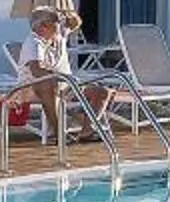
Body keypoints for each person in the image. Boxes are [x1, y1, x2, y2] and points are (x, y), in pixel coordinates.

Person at [13, 8, 113, 142]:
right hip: (31, 89)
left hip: (64, 85)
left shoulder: (58, 36)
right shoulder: (34, 43)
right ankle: (57, 133)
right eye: (56, 22)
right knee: (49, 85)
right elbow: (37, 70)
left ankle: (87, 131)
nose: (60, 25)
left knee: (102, 92)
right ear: (43, 26)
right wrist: (61, 77)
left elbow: (76, 23)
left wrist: (67, 14)